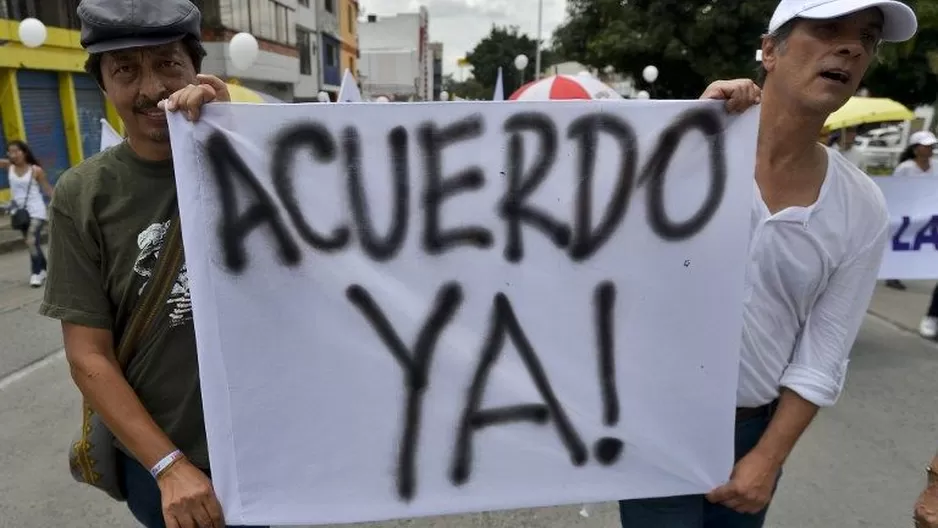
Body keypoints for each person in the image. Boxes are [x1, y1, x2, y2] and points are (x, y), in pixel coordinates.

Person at [618, 0, 917, 527]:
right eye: (827, 28)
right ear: (769, 49)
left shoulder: (862, 206)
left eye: (867, 37)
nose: (850, 47)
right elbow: (590, 252)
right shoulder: (681, 151)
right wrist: (684, 134)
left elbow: (824, 354)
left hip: (753, 433)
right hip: (656, 425)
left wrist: (768, 458)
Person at [36, 1, 261, 527]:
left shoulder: (253, 156)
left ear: (195, 68)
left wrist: (239, 139)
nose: (151, 88)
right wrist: (169, 467)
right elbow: (88, 355)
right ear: (102, 84)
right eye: (125, 70)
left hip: (267, 448)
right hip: (165, 467)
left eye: (167, 64)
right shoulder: (83, 194)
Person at [0, 140, 54, 287]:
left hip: (36, 211)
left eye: (16, 151)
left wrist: (60, 203)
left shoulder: (35, 170)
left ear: (24, 152)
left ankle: (36, 273)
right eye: (10, 151)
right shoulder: (9, 166)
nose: (14, 154)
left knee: (31, 241)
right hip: (20, 212)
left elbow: (47, 189)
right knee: (32, 243)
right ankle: (44, 268)